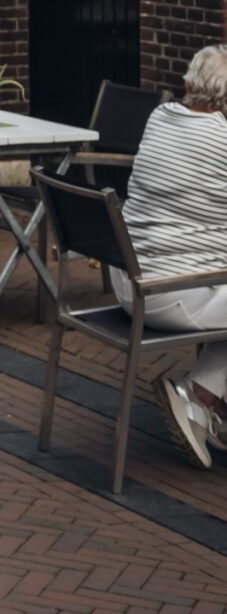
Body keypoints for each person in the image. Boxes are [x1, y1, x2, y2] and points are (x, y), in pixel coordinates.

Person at [117, 47, 227, 467]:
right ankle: (197, 396)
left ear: (186, 86)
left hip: (128, 280)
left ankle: (217, 409)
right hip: (169, 294)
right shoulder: (221, 142)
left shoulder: (159, 118)